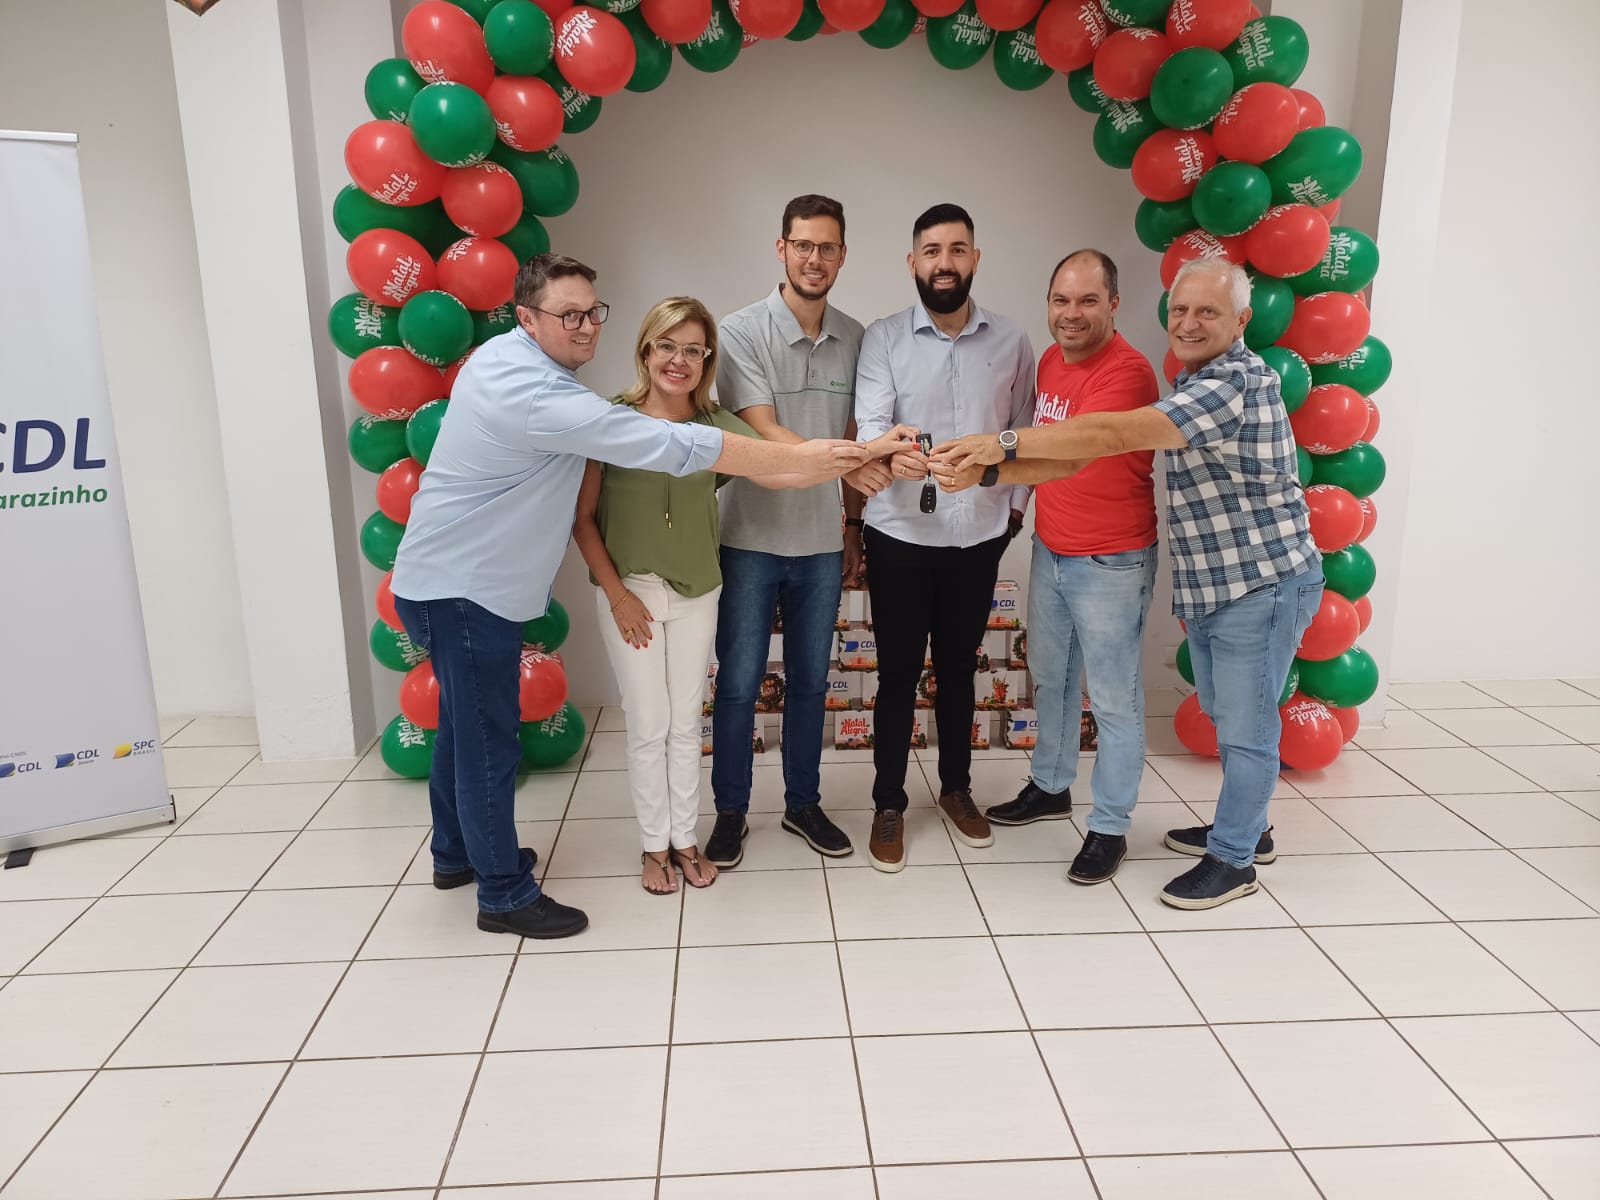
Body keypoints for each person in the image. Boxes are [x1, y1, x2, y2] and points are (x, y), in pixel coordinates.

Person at [390, 253, 877, 939]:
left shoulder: (513, 363)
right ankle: (501, 892)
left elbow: (737, 456)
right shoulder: (544, 394)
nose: (586, 325)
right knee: (487, 742)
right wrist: (827, 457)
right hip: (465, 590)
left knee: (463, 732)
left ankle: (456, 854)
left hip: (454, 583)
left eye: (593, 311)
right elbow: (667, 446)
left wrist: (832, 462)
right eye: (568, 315)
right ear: (526, 318)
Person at [931, 256, 1322, 910]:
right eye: (1181, 310)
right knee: (1219, 713)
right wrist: (990, 474)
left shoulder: (1229, 385)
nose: (1188, 323)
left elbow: (1108, 434)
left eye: (1208, 312)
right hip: (1206, 580)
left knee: (1236, 726)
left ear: (1242, 320)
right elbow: (1069, 457)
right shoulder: (1188, 377)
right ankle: (1241, 828)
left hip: (1256, 581)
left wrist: (999, 444)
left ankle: (1229, 858)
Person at [573, 297, 902, 894]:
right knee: (648, 723)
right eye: (667, 346)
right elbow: (584, 518)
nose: (679, 360)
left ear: (707, 360)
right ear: (645, 350)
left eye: (693, 350)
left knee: (683, 724)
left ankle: (685, 840)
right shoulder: (610, 420)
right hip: (633, 594)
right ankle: (656, 846)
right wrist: (617, 594)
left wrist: (864, 456)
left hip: (699, 589)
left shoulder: (717, 426)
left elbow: (784, 468)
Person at [706, 195, 896, 869]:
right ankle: (730, 811)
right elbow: (763, 433)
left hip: (820, 544)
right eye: (803, 245)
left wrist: (853, 524)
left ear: (843, 255)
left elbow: (856, 434)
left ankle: (802, 803)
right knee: (739, 683)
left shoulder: (857, 335)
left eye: (828, 247)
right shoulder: (740, 331)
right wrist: (852, 462)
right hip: (749, 539)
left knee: (814, 682)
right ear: (781, 248)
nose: (815, 259)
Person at [853, 202, 1035, 873]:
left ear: (975, 259)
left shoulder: (1012, 340)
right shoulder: (884, 338)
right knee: (898, 674)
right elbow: (870, 423)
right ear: (913, 262)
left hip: (979, 535)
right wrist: (888, 451)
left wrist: (1013, 513)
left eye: (957, 250)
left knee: (960, 670)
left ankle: (957, 789)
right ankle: (889, 802)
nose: (945, 263)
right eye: (932, 251)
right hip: (899, 534)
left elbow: (1026, 432)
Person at [978, 250, 1161, 887]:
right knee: (1051, 678)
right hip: (1053, 548)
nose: (1072, 314)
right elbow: (1040, 453)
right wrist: (1008, 498)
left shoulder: (1130, 374)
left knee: (1113, 698)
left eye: (1088, 300)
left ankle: (1109, 825)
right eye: (1061, 300)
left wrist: (992, 452)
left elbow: (1073, 444)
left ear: (1114, 303)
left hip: (1112, 561)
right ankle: (1051, 786)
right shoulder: (1053, 360)